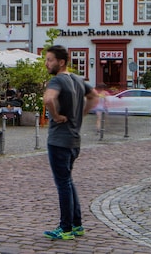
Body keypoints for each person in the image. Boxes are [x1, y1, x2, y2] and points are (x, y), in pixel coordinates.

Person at [42, 45, 98, 241]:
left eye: (49, 60)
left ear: (61, 62)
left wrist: (56, 115)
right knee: (68, 181)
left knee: (63, 183)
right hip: (74, 140)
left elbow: (48, 98)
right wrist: (81, 114)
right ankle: (77, 224)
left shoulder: (57, 80)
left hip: (59, 140)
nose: (47, 63)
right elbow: (94, 96)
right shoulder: (77, 79)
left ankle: (65, 228)